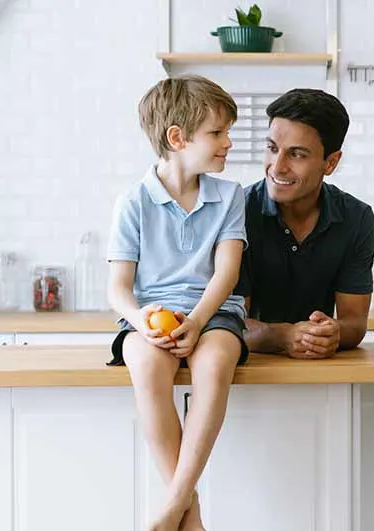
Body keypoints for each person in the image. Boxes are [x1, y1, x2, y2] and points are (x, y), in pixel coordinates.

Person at [107, 74, 248, 531]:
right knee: (146, 366)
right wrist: (139, 319)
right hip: (150, 318)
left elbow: (226, 273)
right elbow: (119, 289)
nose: (228, 142)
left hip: (214, 313)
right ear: (178, 137)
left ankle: (173, 508)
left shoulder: (230, 195)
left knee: (215, 364)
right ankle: (190, 513)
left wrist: (200, 319)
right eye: (218, 132)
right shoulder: (132, 202)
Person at [236, 88, 374, 358]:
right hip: (250, 371)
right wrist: (284, 336)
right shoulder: (236, 213)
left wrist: (333, 332)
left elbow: (355, 323)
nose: (277, 167)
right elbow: (230, 324)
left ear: (331, 163)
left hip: (322, 371)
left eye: (297, 154)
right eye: (272, 149)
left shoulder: (357, 218)